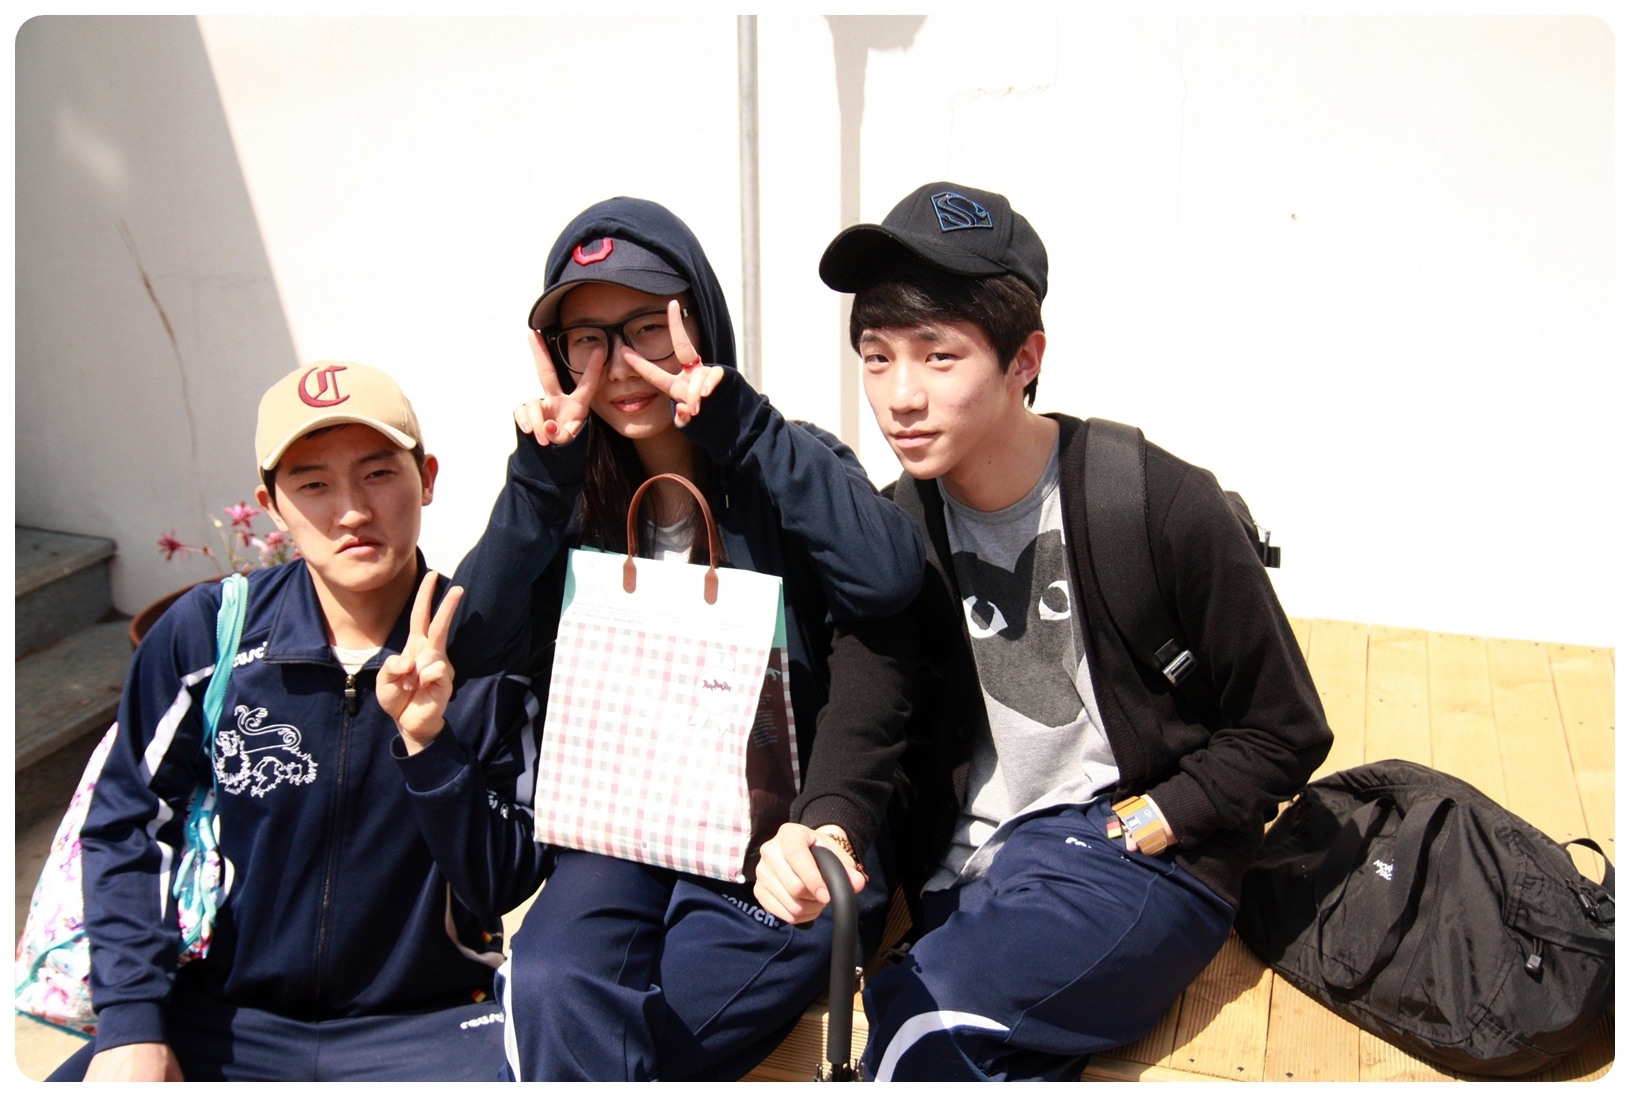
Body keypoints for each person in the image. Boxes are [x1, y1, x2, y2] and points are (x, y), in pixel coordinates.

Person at [773, 181, 1335, 1080]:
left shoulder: (1155, 502)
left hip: (1137, 856)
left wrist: (1157, 817)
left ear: (1024, 358)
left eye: (939, 356)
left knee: (918, 1022)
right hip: (969, 875)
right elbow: (865, 710)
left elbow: (1286, 727)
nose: (900, 396)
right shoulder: (895, 531)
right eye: (876, 358)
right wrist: (827, 827)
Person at [446, 197, 925, 1081]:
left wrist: (743, 424)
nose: (620, 363)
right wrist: (539, 479)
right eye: (587, 339)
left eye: (646, 327)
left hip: (781, 835)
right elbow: (472, 643)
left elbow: (889, 577)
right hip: (624, 827)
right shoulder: (568, 494)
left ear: (699, 320)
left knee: (667, 1026)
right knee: (550, 980)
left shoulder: (782, 456)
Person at [53, 363, 547, 1082]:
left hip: (432, 1025)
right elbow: (128, 824)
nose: (351, 511)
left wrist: (429, 746)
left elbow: (502, 880)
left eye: (378, 473)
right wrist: (131, 1021)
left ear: (427, 478)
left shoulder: (485, 654)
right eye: (313, 484)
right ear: (272, 505)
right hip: (219, 1017)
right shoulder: (207, 634)